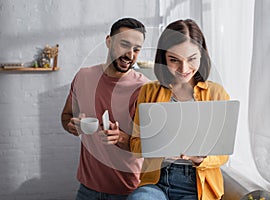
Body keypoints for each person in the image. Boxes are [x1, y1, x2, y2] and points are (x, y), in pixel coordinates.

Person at [128, 19, 230, 200]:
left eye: (192, 59)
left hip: (197, 185)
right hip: (157, 180)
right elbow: (135, 145)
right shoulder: (149, 91)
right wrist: (158, 145)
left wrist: (199, 159)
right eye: (174, 60)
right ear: (163, 58)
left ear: (202, 55)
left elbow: (223, 153)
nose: (184, 69)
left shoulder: (216, 93)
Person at [61, 18, 150, 200]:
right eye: (124, 44)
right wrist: (71, 125)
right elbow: (66, 115)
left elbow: (149, 145)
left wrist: (121, 138)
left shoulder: (145, 89)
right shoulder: (83, 77)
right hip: (87, 187)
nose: (130, 54)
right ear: (109, 41)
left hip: (127, 190)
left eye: (137, 49)